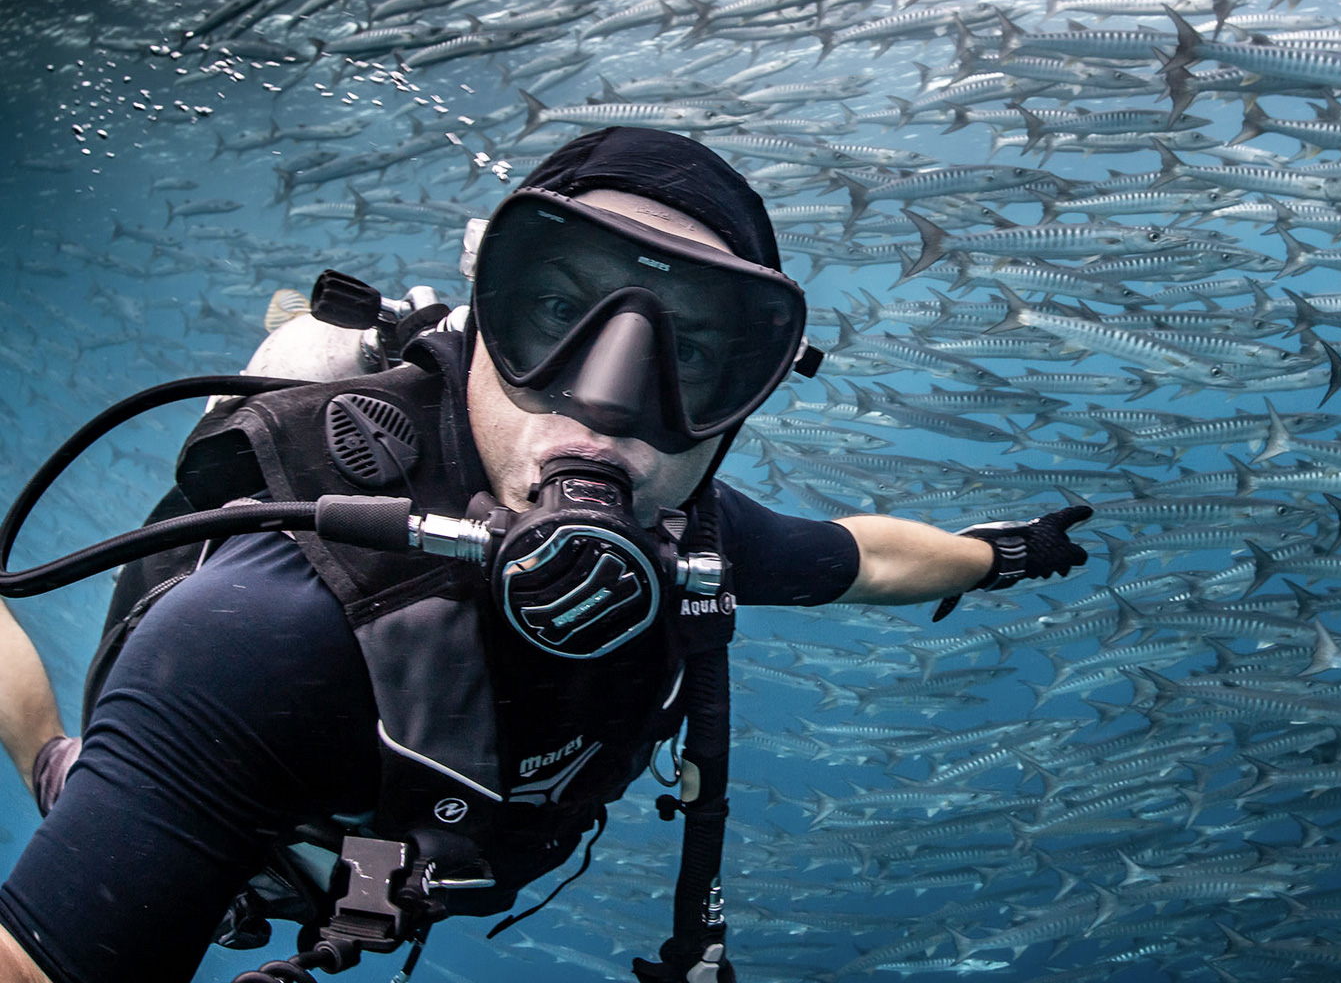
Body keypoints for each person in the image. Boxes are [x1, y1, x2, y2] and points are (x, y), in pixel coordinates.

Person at [0, 127, 1093, 983]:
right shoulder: (253, 638)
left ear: (746, 401)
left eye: (696, 350)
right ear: (484, 320)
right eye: (557, 310)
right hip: (261, 849)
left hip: (411, 859)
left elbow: (860, 558)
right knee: (64, 771)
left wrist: (1000, 553)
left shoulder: (693, 536)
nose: (607, 408)